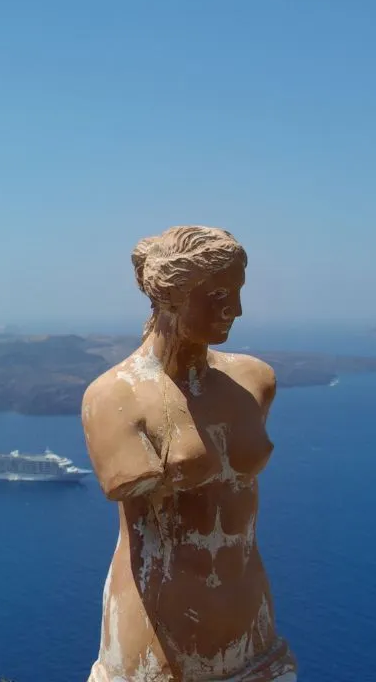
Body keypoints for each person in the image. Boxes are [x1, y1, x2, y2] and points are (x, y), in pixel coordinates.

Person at [82, 226, 296, 681]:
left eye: (237, 292)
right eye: (218, 294)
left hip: (253, 626)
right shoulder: (115, 398)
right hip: (158, 633)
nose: (235, 309)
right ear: (170, 296)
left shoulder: (254, 380)